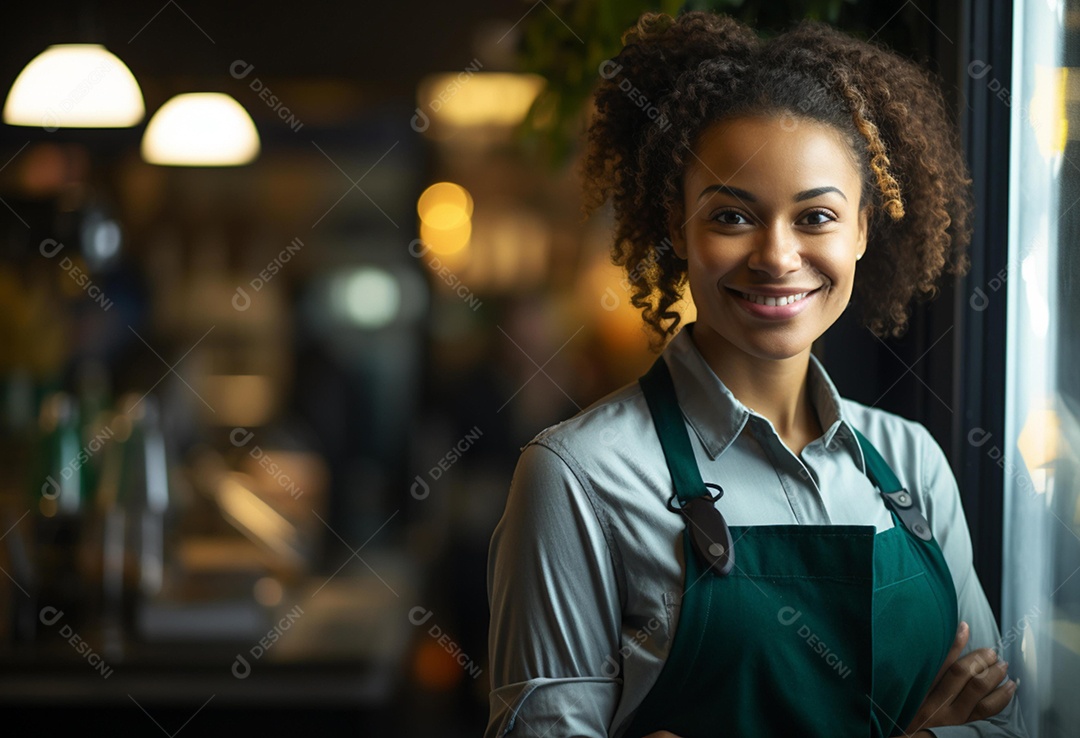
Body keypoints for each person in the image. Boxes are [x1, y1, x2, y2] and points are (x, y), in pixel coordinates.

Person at [485, 10, 1027, 738]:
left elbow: (1002, 722)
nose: (776, 256)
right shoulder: (576, 478)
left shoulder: (909, 466)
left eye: (816, 217)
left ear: (862, 229)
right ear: (676, 227)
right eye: (733, 217)